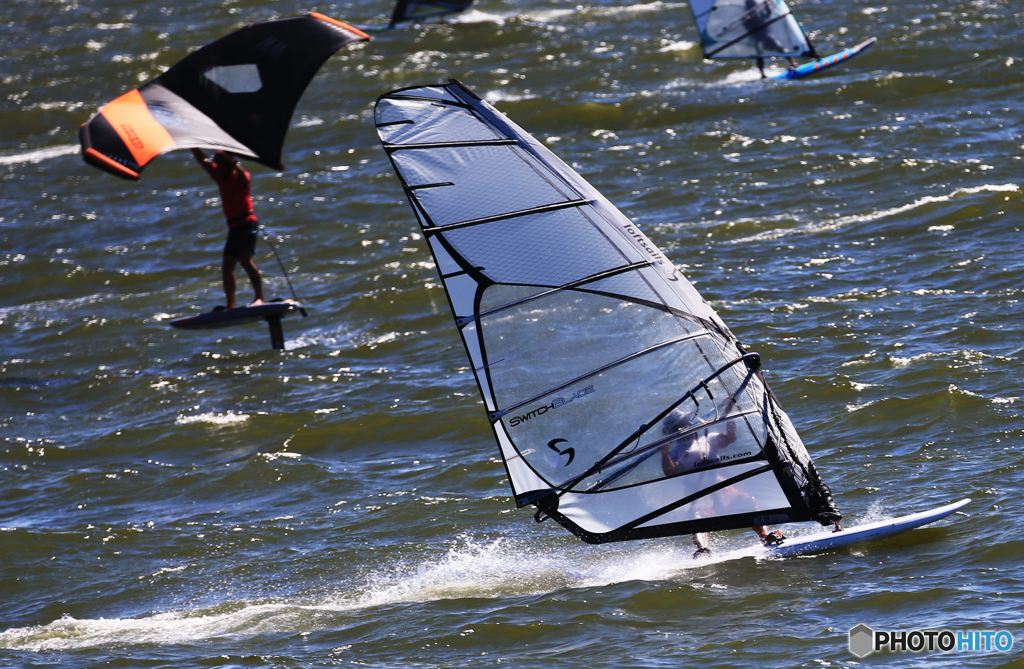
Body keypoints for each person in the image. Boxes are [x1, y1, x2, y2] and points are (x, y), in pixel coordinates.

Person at [660, 395, 785, 558]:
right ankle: (702, 550)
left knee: (748, 501)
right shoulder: (674, 453)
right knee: (695, 519)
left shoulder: (708, 439)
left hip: (723, 491)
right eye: (685, 423)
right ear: (677, 429)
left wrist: (728, 410)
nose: (690, 423)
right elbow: (670, 473)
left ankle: (764, 537)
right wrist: (664, 453)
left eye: (689, 420)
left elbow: (730, 438)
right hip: (699, 497)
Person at [192, 148, 264, 310]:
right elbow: (202, 160)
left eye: (221, 164)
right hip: (233, 226)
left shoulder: (240, 175)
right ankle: (231, 304)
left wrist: (233, 162)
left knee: (245, 259)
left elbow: (244, 179)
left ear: (229, 164)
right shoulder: (219, 176)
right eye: (217, 164)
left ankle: (259, 297)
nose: (217, 167)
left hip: (247, 222)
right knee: (227, 267)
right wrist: (193, 143)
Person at [742, 0, 799, 78]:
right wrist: (749, 19)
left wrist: (766, 6)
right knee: (759, 55)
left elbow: (767, 15)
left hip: (766, 36)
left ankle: (793, 63)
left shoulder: (759, 13)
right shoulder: (746, 18)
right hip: (757, 38)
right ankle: (762, 74)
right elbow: (747, 26)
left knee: (781, 48)